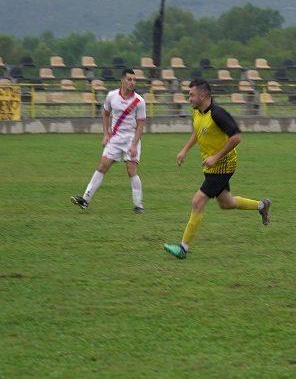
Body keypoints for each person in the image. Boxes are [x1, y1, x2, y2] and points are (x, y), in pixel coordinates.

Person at [164, 78, 270, 259]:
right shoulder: (197, 112)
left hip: (224, 165)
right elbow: (197, 133)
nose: (188, 98)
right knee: (226, 203)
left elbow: (236, 137)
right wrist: (184, 150)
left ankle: (183, 248)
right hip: (212, 166)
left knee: (197, 201)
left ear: (203, 95)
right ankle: (261, 205)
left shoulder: (218, 114)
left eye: (191, 95)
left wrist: (215, 157)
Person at [71, 69, 147, 213]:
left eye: (134, 80)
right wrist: (106, 134)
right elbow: (106, 114)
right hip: (115, 138)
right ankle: (85, 200)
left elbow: (141, 125)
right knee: (102, 166)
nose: (133, 82)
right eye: (130, 79)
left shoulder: (139, 101)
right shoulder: (111, 96)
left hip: (131, 138)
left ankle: (138, 205)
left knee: (131, 170)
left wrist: (134, 145)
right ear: (122, 80)